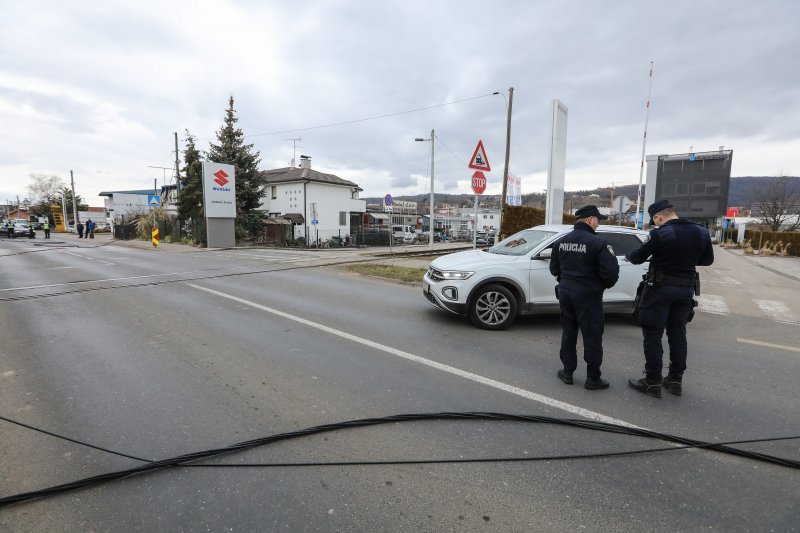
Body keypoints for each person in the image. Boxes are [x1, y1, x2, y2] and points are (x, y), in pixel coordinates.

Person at [625, 200, 714, 398]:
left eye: (654, 221)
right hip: (685, 290)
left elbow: (638, 257)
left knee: (653, 334)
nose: (655, 224)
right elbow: (707, 260)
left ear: (658, 217)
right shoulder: (701, 232)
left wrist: (628, 255)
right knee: (678, 333)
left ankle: (652, 381)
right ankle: (675, 380)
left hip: (659, 290)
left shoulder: (660, 233)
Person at [549, 205, 620, 390]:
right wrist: (599, 286)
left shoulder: (561, 242)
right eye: (598, 220)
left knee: (569, 331)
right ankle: (593, 378)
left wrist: (566, 281)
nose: (598, 224)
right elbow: (611, 273)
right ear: (590, 219)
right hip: (588, 295)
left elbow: (554, 269)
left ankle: (567, 372)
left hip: (565, 292)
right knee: (592, 335)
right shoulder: (599, 243)